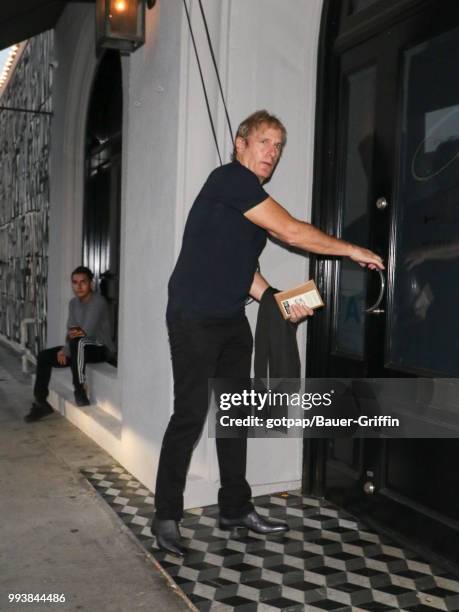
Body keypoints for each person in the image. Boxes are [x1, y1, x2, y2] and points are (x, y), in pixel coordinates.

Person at [153, 110, 384, 556]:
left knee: (236, 415)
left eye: (278, 146)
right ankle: (166, 516)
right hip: (194, 317)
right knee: (190, 415)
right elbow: (293, 232)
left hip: (230, 320)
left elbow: (246, 273)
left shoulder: (249, 199)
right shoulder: (230, 180)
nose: (272, 153)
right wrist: (352, 250)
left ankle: (235, 508)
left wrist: (281, 303)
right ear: (241, 144)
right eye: (265, 142)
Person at [24, 266, 115, 422]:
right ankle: (41, 402)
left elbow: (86, 331)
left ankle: (79, 390)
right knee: (44, 356)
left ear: (91, 283)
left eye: (83, 282)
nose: (78, 286)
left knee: (78, 342)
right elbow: (71, 330)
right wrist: (66, 349)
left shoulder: (98, 302)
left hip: (101, 348)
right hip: (78, 347)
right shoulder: (73, 303)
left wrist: (67, 348)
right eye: (75, 282)